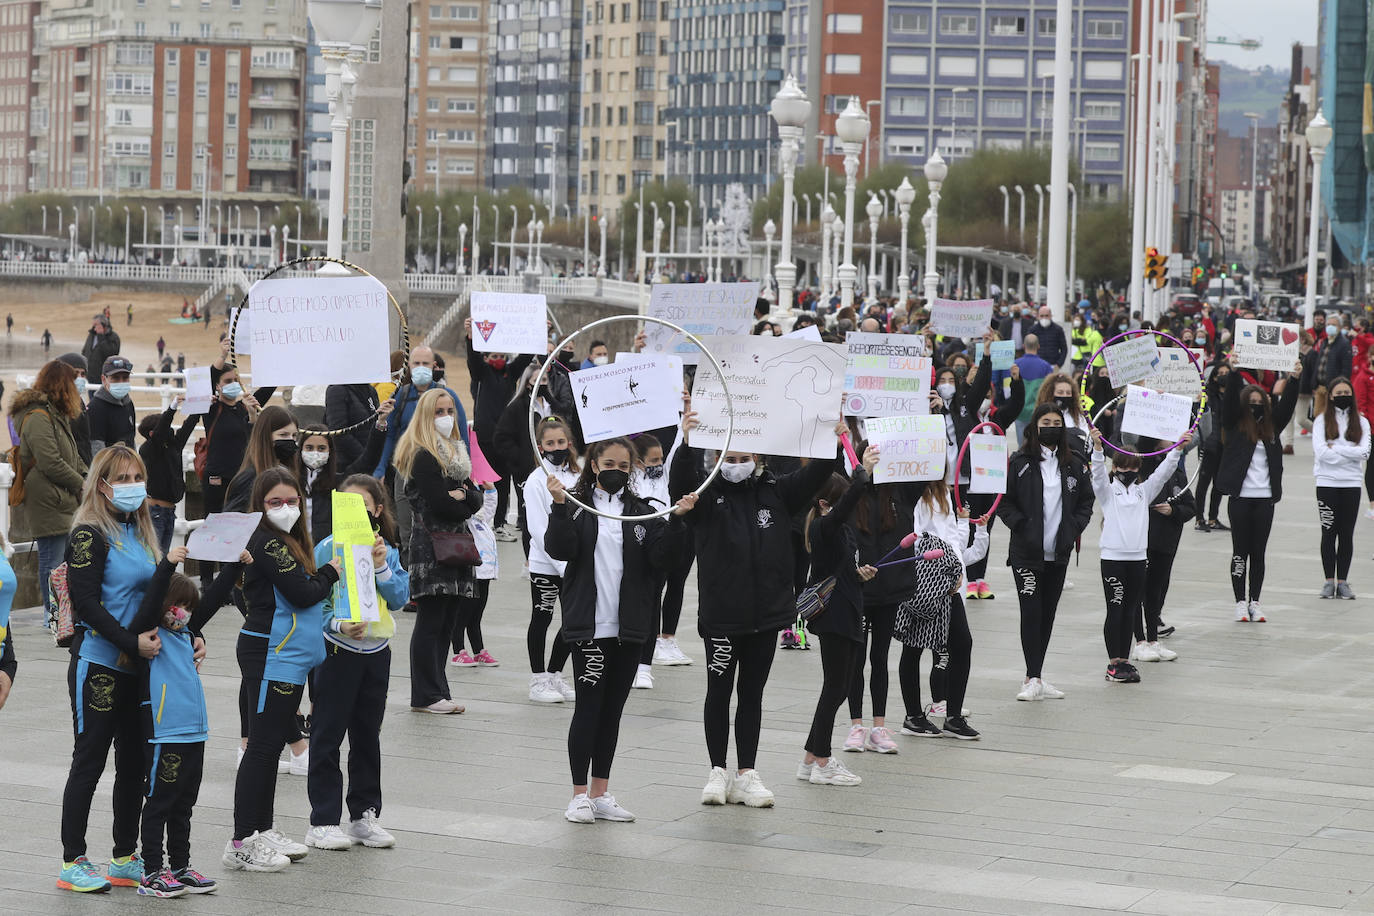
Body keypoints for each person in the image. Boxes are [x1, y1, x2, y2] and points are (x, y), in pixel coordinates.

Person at [671, 409, 843, 808]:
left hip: (766, 615)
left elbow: (818, 473)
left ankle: (747, 772)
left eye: (743, 458)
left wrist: (831, 437)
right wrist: (686, 441)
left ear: (759, 459)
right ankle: (718, 770)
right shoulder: (706, 497)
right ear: (716, 460)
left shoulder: (778, 493)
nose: (736, 465)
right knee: (719, 691)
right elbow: (679, 485)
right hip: (720, 616)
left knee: (752, 694)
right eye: (728, 459)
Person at [545, 437, 695, 823]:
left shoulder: (643, 513)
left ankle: (601, 792)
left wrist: (677, 520)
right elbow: (559, 549)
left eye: (625, 466)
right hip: (590, 625)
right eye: (608, 463)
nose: (616, 471)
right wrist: (559, 507)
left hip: (630, 628)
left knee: (612, 711)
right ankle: (578, 795)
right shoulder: (577, 508)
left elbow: (666, 558)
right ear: (594, 465)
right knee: (589, 708)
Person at [58, 446, 168, 894]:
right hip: (100, 664)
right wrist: (130, 643)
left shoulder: (142, 533)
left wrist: (183, 630)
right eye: (121, 478)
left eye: (136, 477)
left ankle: (124, 857)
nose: (131, 486)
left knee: (134, 764)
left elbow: (156, 594)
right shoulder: (89, 534)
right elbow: (87, 605)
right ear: (101, 484)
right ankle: (73, 861)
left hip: (138, 667)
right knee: (90, 759)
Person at [225, 467, 341, 872]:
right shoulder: (268, 543)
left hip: (286, 654)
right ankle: (242, 840)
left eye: (292, 501)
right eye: (276, 502)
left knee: (271, 745)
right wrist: (331, 571)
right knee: (260, 748)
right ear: (260, 505)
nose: (286, 508)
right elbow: (303, 592)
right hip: (271, 653)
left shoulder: (288, 542)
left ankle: (263, 826)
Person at [128, 545, 242, 897]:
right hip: (166, 732)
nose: (185, 613)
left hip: (194, 733)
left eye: (189, 608)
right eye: (179, 605)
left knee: (183, 803)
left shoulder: (185, 635)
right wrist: (169, 564)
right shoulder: (151, 634)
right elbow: (151, 604)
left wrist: (235, 566)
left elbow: (211, 601)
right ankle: (151, 871)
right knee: (160, 800)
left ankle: (180, 865)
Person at [305, 474, 409, 852]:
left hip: (376, 652)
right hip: (336, 651)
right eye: (346, 507)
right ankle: (323, 819)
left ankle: (364, 814)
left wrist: (382, 565)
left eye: (363, 508)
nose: (356, 515)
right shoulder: (326, 549)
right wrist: (337, 624)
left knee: (368, 735)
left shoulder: (388, 549)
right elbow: (310, 602)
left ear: (378, 511)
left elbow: (400, 597)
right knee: (327, 733)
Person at [393, 387, 484, 714]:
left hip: (454, 547)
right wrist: (461, 499)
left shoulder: (455, 454)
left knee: (446, 623)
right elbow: (444, 505)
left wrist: (464, 497)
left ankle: (437, 690)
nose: (446, 418)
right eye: (438, 412)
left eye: (449, 411)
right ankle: (426, 694)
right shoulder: (423, 455)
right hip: (432, 548)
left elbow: (475, 497)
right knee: (431, 622)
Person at [998, 404, 1095, 701]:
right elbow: (1004, 501)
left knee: (1048, 614)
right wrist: (1022, 525)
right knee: (1031, 612)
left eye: (1056, 422)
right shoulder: (1019, 462)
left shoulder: (1074, 464)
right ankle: (1034, 677)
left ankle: (1035, 675)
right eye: (1045, 422)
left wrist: (1073, 528)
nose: (1051, 426)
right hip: (1026, 554)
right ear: (1034, 426)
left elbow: (1086, 502)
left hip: (1059, 552)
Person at [798, 452, 880, 786]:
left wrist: (858, 575)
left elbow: (839, 568)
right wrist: (865, 473)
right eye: (840, 499)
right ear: (823, 503)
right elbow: (849, 502)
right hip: (835, 616)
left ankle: (809, 759)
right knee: (836, 687)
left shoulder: (839, 531)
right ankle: (822, 760)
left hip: (848, 609)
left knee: (838, 687)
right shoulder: (823, 526)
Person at [1089, 427, 1192, 683]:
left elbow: (1164, 472)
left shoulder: (1143, 491)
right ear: (1116, 468)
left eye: (1134, 468)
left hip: (1137, 559)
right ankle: (1113, 663)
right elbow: (1098, 474)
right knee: (1115, 610)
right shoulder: (1107, 492)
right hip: (1113, 559)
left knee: (1129, 610)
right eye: (1123, 467)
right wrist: (1098, 449)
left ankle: (1125, 660)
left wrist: (1177, 448)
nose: (1128, 472)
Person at [1217, 363, 1300, 621]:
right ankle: (1240, 601)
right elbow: (1229, 404)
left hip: (1265, 499)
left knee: (1259, 552)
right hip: (1240, 498)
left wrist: (1295, 379)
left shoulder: (1271, 427)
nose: (1255, 405)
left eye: (1259, 401)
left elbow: (1287, 405)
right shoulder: (1234, 424)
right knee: (1240, 551)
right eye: (1251, 401)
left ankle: (1256, 600)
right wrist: (1233, 373)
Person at [10, 359, 89, 611]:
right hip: (46, 497)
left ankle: (60, 613)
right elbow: (50, 461)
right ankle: (52, 614)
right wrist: (81, 483)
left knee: (62, 559)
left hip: (58, 496)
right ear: (62, 385)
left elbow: (71, 454)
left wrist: (87, 475)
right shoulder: (39, 416)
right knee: (52, 559)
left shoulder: (54, 414)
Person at [523, 417, 582, 703]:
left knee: (573, 619)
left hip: (573, 562)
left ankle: (555, 674)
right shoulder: (536, 482)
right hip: (546, 564)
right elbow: (537, 528)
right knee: (542, 617)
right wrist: (563, 564)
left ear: (568, 443)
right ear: (540, 446)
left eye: (561, 442)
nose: (556, 447)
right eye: (550, 443)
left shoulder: (578, 475)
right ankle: (538, 680)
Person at [464, 316, 535, 540]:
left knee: (503, 483)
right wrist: (471, 337)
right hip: (484, 437)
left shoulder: (511, 373)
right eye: (494, 356)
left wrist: (537, 333)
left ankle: (499, 523)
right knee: (484, 481)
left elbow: (525, 357)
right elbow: (473, 361)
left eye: (502, 356)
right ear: (486, 357)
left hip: (504, 437)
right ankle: (482, 520)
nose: (499, 359)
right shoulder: (482, 373)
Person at [202, 338, 276, 531]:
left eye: (236, 380)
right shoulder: (211, 408)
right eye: (227, 381)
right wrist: (222, 355)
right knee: (213, 531)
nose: (233, 384)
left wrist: (280, 361)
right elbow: (210, 376)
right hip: (217, 480)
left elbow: (268, 389)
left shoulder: (244, 407)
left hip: (242, 479)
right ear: (217, 386)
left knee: (240, 531)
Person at [1311, 377, 1369, 598]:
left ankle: (1343, 581)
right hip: (1326, 484)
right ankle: (1328, 581)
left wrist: (1336, 449)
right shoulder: (1320, 421)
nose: (1343, 395)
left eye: (1347, 392)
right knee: (1329, 533)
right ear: (1331, 396)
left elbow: (1364, 453)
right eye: (1339, 392)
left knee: (1346, 534)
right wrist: (1348, 452)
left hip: (1351, 484)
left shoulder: (1361, 422)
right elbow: (1321, 453)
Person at [1135, 438, 1193, 652]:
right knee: (1138, 590)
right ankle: (1139, 637)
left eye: (1167, 448)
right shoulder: (1143, 475)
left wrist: (1174, 511)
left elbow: (1190, 506)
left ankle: (1153, 632)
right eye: (1159, 449)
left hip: (1166, 544)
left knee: (1156, 589)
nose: (1163, 452)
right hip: (1142, 543)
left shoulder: (1178, 475)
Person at [138, 397, 200, 554]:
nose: (170, 429)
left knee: (162, 555)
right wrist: (172, 408)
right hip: (155, 512)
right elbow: (161, 431)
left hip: (169, 512)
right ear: (152, 433)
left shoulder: (173, 445)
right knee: (154, 556)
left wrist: (200, 406)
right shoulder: (149, 449)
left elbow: (188, 427)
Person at [450, 481, 500, 667]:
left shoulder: (479, 520)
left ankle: (479, 650)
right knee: (462, 614)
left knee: (476, 615)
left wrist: (490, 490)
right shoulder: (463, 520)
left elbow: (488, 508)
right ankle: (458, 651)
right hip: (470, 572)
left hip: (485, 573)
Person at [1194, 362, 1233, 531]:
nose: (1223, 376)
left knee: (1219, 484)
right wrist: (1202, 403)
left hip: (1226, 446)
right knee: (1203, 483)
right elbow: (1200, 417)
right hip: (1210, 445)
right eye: (1220, 373)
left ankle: (1213, 518)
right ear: (1214, 377)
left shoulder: (1234, 395)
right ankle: (1199, 519)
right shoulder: (1208, 395)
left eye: (1227, 373)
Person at [323, 381, 381, 471]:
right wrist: (365, 458)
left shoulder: (370, 390)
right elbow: (339, 432)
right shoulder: (337, 389)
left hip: (370, 463)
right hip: (348, 466)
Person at [87, 356, 137, 453]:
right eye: (115, 378)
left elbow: (131, 439)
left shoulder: (128, 403)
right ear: (104, 379)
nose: (121, 382)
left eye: (125, 378)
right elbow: (97, 449)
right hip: (109, 465)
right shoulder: (95, 408)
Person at [80, 315, 122, 385]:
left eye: (96, 325)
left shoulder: (113, 337)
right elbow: (85, 352)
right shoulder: (92, 335)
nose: (94, 327)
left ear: (104, 325)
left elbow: (112, 354)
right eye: (93, 325)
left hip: (105, 378)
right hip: (90, 377)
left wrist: (101, 336)